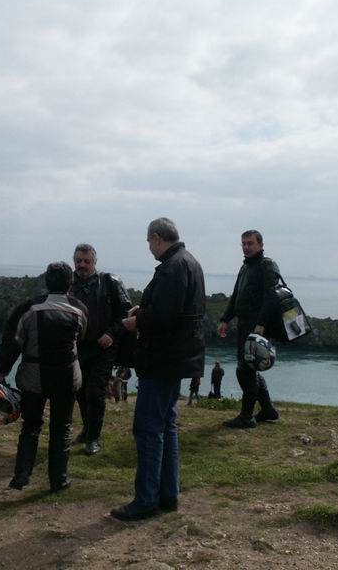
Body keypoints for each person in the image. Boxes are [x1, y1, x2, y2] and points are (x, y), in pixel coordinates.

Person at [111, 218, 205, 521]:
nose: (149, 248)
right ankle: (168, 494)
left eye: (149, 242)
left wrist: (135, 322)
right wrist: (144, 310)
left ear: (156, 238)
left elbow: (166, 316)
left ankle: (146, 499)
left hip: (163, 358)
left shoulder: (171, 267)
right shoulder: (189, 262)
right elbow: (175, 309)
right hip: (178, 357)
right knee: (166, 425)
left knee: (148, 428)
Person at [0, 262, 88, 493]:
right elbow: (82, 338)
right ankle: (59, 480)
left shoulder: (29, 308)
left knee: (30, 426)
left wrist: (1, 372)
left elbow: (12, 342)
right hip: (67, 377)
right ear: (70, 283)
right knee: (61, 428)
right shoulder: (79, 310)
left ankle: (21, 475)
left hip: (33, 377)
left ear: (47, 282)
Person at [70, 243, 132, 456]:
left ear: (95, 262)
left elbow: (126, 312)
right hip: (78, 348)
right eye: (78, 261)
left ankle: (93, 438)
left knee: (95, 393)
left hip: (103, 347)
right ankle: (87, 429)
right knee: (80, 391)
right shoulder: (69, 284)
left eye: (86, 261)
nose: (82, 265)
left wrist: (112, 334)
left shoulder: (110, 282)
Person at [217, 230, 281, 429]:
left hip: (257, 328)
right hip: (244, 325)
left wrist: (261, 324)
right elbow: (236, 295)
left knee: (244, 370)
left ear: (261, 245)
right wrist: (225, 319)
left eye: (250, 243)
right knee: (249, 369)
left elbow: (272, 297)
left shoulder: (267, 266)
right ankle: (267, 409)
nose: (246, 247)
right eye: (243, 243)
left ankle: (246, 416)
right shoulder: (245, 267)